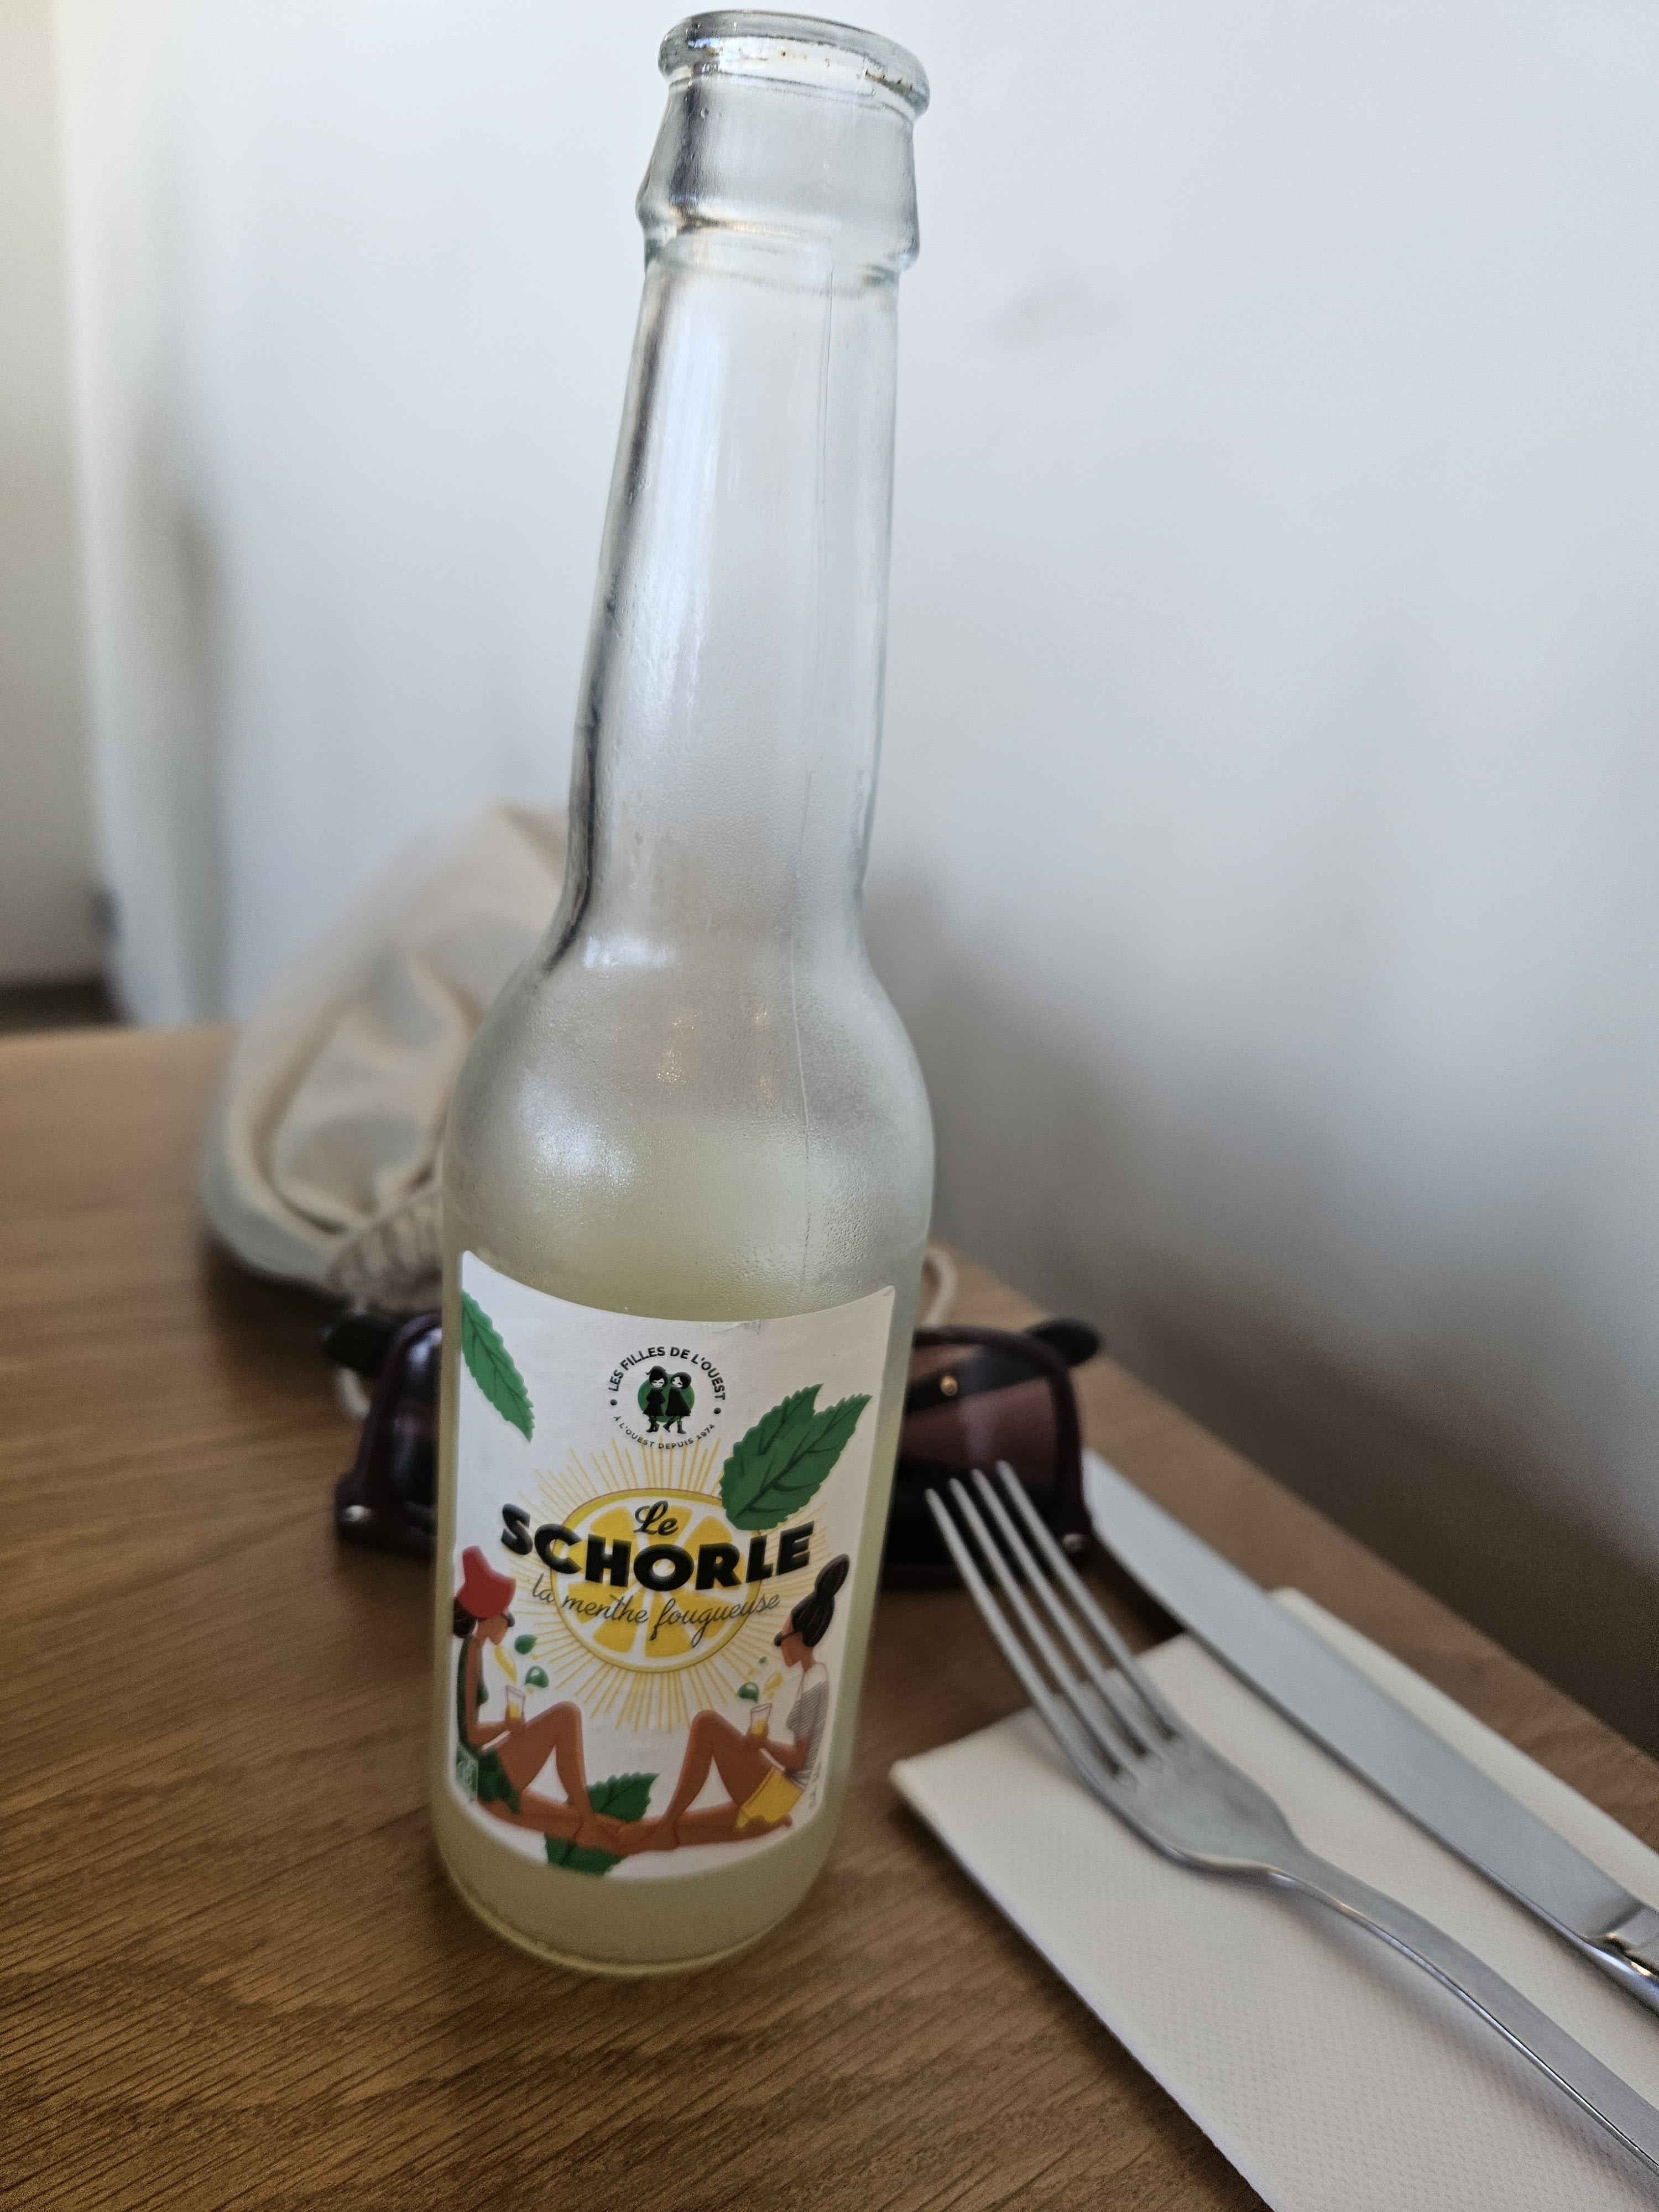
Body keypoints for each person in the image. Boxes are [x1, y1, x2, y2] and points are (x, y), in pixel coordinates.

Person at [624, 1556, 849, 1851]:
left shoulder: (812, 1684)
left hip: (783, 1794)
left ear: (800, 1638)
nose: (780, 1645)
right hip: (784, 1792)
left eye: (782, 1639)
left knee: (707, 1725)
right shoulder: (816, 1676)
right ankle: (666, 1826)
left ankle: (667, 1826)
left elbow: (798, 1760)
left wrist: (764, 1743)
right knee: (673, 1826)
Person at [451, 1547, 620, 1853]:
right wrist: (507, 1725)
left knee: (590, 1823)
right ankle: (588, 1821)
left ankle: (588, 1821)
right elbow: (470, 1735)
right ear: (491, 1616)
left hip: (478, 1768)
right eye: (507, 1615)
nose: (508, 1622)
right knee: (565, 1717)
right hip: (480, 1774)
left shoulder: (473, 1650)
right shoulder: (471, 1654)